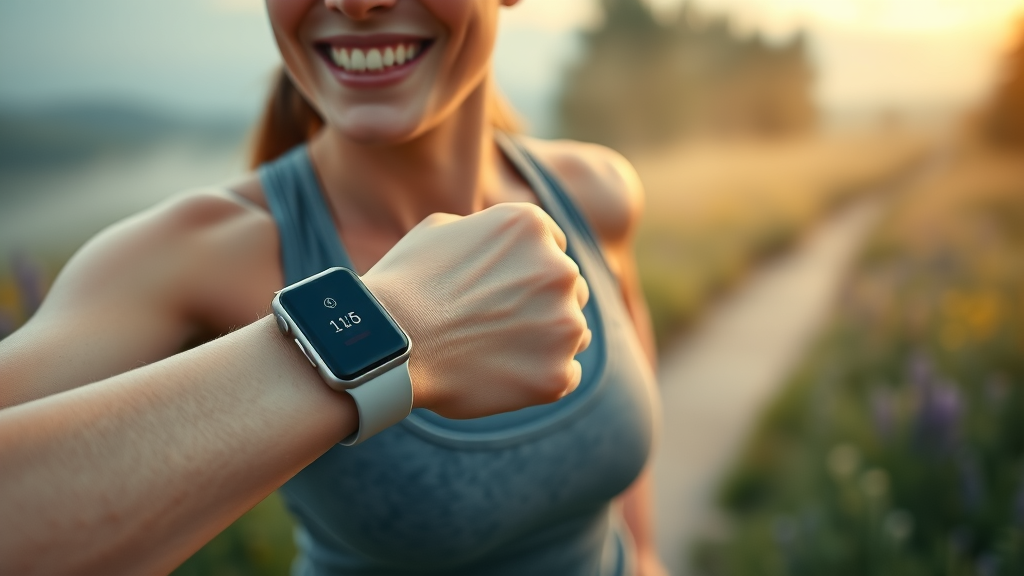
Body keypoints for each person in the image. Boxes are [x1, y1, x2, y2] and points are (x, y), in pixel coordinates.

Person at [0, 1, 665, 574]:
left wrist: (644, 552)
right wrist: (392, 328)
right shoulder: (182, 259)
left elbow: (630, 428)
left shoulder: (594, 193)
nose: (355, 1)